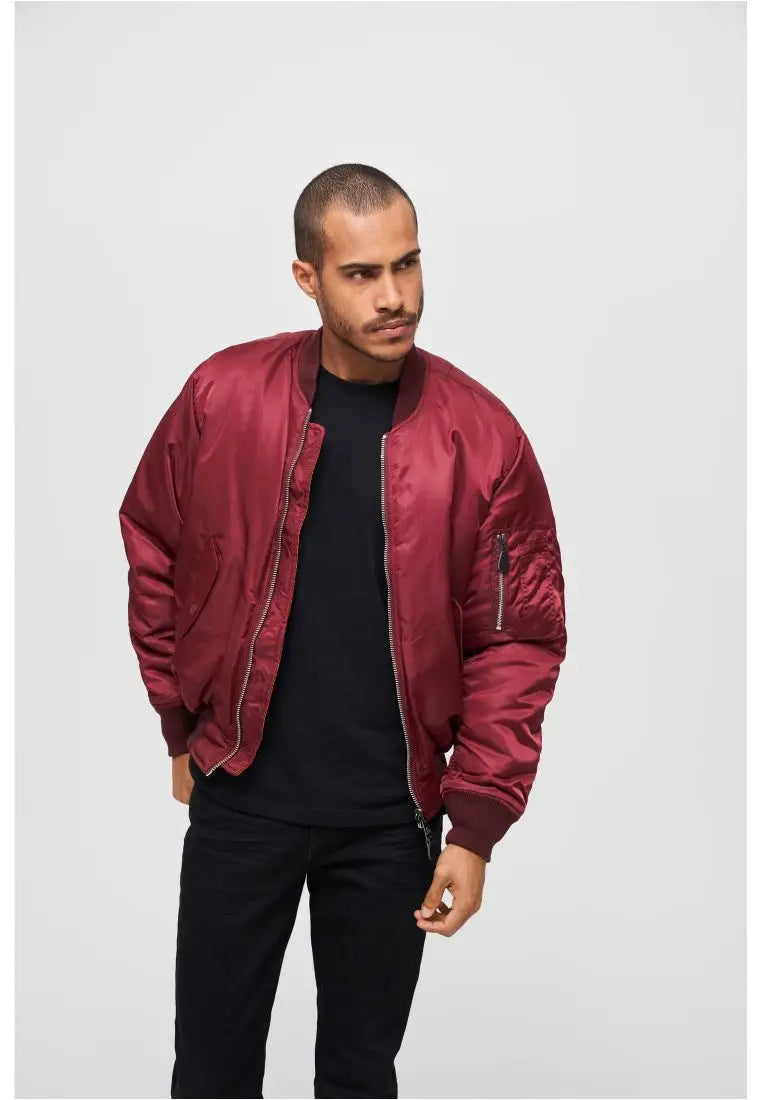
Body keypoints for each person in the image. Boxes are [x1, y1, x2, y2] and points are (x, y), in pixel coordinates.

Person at [118, 162, 568, 1099]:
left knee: (360, 1077)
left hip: (392, 820)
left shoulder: (485, 438)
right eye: (362, 273)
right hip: (242, 798)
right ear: (307, 277)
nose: (394, 296)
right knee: (209, 1075)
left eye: (408, 264)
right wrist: (179, 721)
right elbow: (156, 542)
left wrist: (476, 826)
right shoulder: (222, 396)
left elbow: (516, 640)